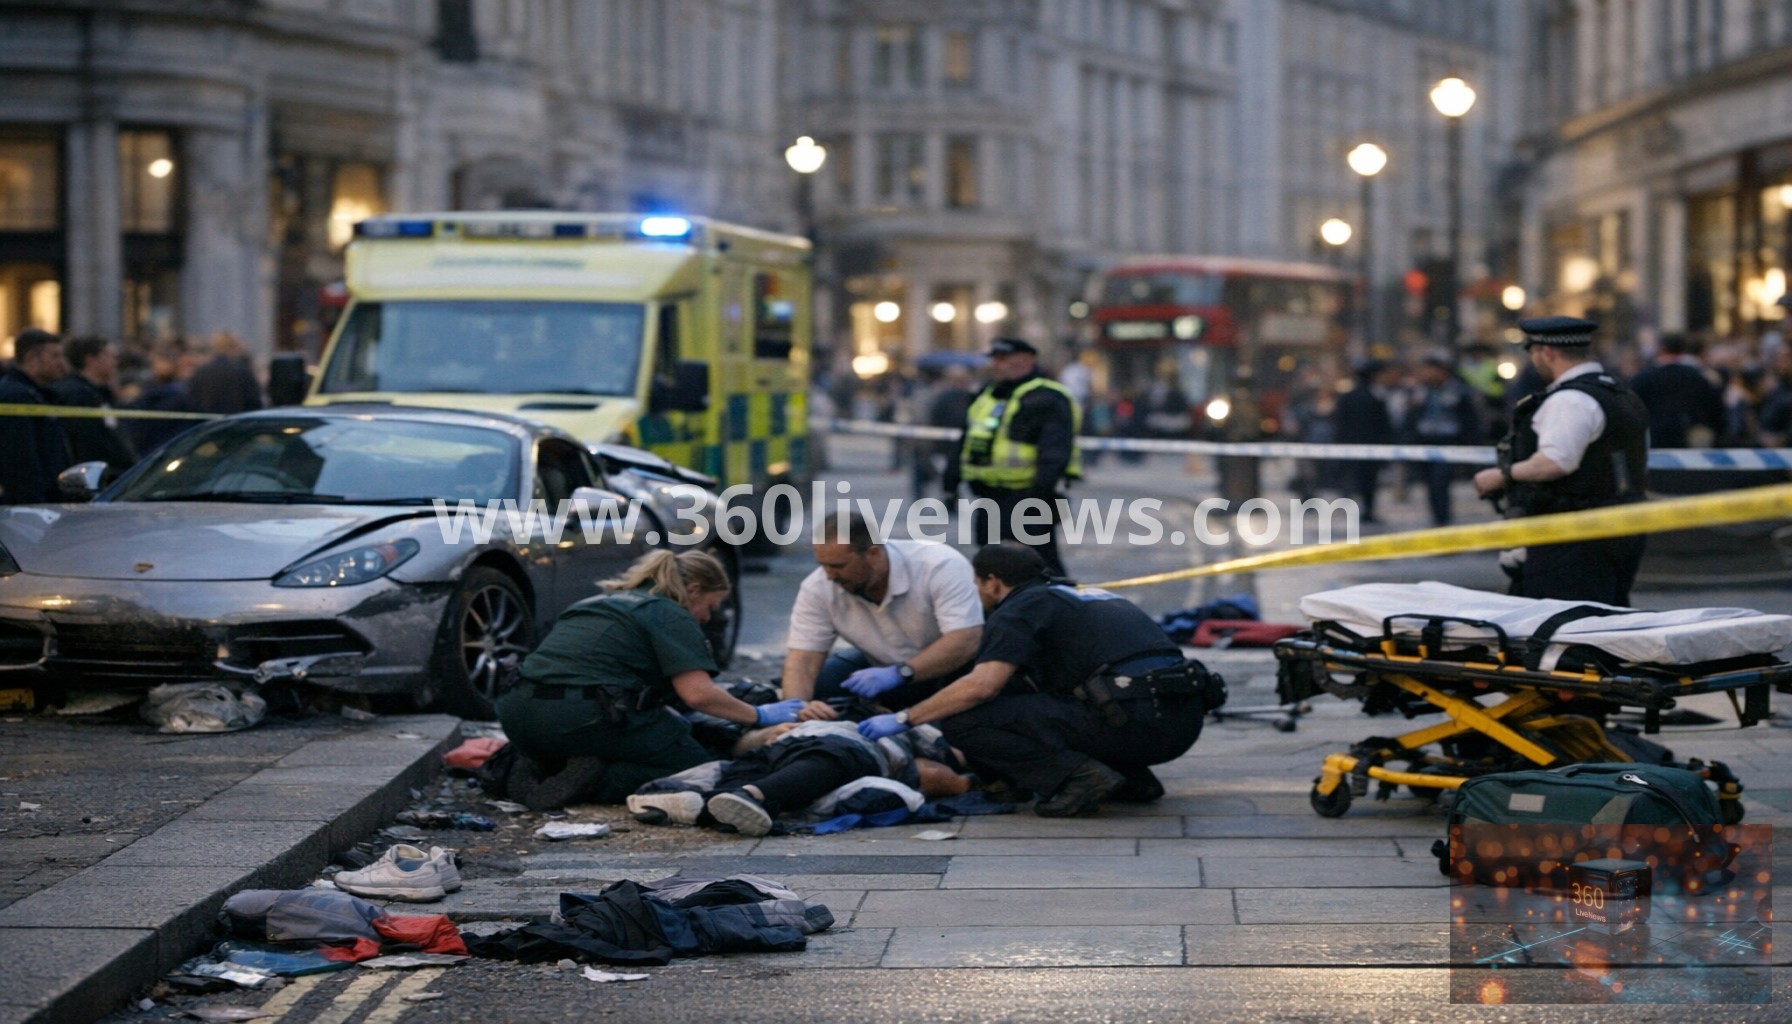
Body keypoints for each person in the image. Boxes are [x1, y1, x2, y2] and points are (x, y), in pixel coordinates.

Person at [859, 544, 1211, 818]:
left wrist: (904, 718)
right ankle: (1131, 779)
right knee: (1045, 702)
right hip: (1182, 723)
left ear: (992, 582)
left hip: (1133, 720)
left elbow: (982, 686)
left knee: (964, 719)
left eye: (977, 585)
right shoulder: (1084, 595)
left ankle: (1081, 778)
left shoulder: (1018, 610)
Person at [496, 549, 805, 805]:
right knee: (694, 767)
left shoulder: (595, 602)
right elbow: (698, 695)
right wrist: (758, 714)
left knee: (648, 726)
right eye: (711, 606)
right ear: (693, 590)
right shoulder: (669, 612)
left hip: (516, 712)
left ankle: (541, 764)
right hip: (581, 715)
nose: (708, 618)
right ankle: (594, 779)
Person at [1473, 316, 1650, 606]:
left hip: (1574, 534)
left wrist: (1501, 475)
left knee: (1564, 624)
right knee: (1607, 619)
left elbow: (1554, 463)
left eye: (1532, 353)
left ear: (1547, 352)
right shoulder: (1619, 393)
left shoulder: (1570, 400)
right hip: (1622, 524)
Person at [779, 512, 984, 717]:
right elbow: (803, 660)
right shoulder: (818, 587)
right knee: (822, 684)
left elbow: (965, 641)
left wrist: (901, 673)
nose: (829, 575)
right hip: (882, 664)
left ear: (873, 554)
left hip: (953, 668)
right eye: (822, 565)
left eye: (838, 566)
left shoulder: (939, 566)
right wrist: (795, 712)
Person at [625, 719, 971, 837]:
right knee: (826, 763)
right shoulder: (898, 728)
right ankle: (749, 795)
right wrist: (968, 779)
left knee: (735, 788)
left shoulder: (814, 711)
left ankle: (698, 805)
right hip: (838, 746)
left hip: (778, 745)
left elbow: (743, 743)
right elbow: (944, 771)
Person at [944, 336, 1082, 577]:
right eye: (994, 359)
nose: (996, 364)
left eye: (1003, 359)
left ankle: (1063, 610)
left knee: (1038, 564)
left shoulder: (1047, 396)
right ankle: (1000, 613)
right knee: (992, 565)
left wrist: (1039, 495)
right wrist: (950, 483)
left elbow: (1055, 451)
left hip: (1027, 496)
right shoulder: (988, 394)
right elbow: (967, 439)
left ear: (1026, 360)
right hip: (988, 496)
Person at [1403, 351, 1481, 526]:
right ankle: (1437, 517)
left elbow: (1470, 419)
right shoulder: (1419, 391)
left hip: (1448, 443)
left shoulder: (1458, 391)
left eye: (1431, 370)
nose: (1427, 374)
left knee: (1440, 482)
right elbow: (1410, 418)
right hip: (1424, 442)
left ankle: (1442, 519)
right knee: (1430, 484)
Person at [0, 329, 72, 505]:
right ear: (32, 358)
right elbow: (20, 461)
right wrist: (35, 501)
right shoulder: (15, 396)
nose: (62, 364)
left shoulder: (42, 395)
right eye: (55, 356)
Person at [49, 335, 137, 476]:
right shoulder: (77, 395)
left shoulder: (99, 393)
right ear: (91, 360)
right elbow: (88, 442)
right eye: (110, 356)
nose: (115, 362)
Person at [1628, 333, 1723, 450]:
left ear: (1661, 350)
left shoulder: (1643, 377)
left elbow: (1631, 408)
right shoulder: (1698, 377)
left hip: (1654, 437)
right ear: (1683, 351)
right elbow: (1716, 408)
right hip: (1688, 438)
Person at [1334, 360, 1395, 523]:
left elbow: (1340, 423)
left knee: (1357, 479)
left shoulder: (1349, 396)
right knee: (1368, 480)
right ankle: (1366, 510)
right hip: (1370, 446)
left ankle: (1357, 508)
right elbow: (1384, 424)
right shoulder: (1376, 396)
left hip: (1353, 445)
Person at [124, 345, 197, 454]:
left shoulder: (180, 391)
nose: (161, 367)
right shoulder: (145, 390)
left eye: (164, 362)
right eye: (158, 363)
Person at [185, 331, 264, 415]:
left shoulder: (201, 371)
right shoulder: (242, 371)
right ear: (234, 347)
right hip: (236, 422)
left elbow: (191, 400)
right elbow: (254, 401)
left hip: (207, 424)